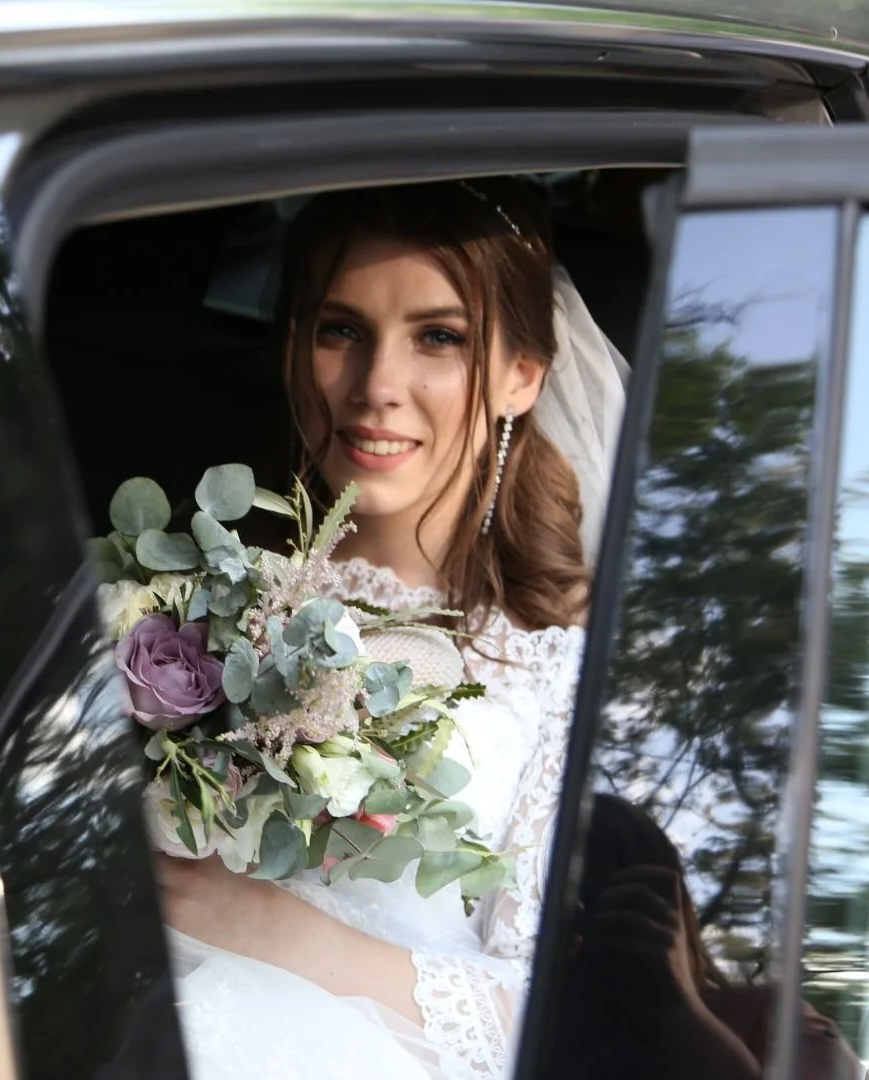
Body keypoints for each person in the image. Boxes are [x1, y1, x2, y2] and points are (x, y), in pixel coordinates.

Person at [150, 179, 629, 1080]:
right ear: (295, 346)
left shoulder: (569, 666)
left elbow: (555, 1017)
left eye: (438, 338)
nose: (377, 387)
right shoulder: (191, 582)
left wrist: (265, 925)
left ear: (522, 376)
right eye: (342, 330)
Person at [552, 793, 864, 1079]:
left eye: (608, 906)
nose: (583, 936)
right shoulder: (541, 1029)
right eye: (554, 919)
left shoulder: (769, 1021)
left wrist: (677, 1008)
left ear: (665, 910)